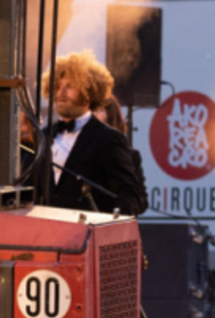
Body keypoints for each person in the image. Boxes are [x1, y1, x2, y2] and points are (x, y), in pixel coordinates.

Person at [37, 50, 148, 216]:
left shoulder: (108, 138)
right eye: (58, 86)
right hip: (46, 236)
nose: (61, 92)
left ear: (88, 93)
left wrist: (111, 228)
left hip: (88, 237)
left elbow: (130, 193)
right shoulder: (44, 136)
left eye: (70, 86)